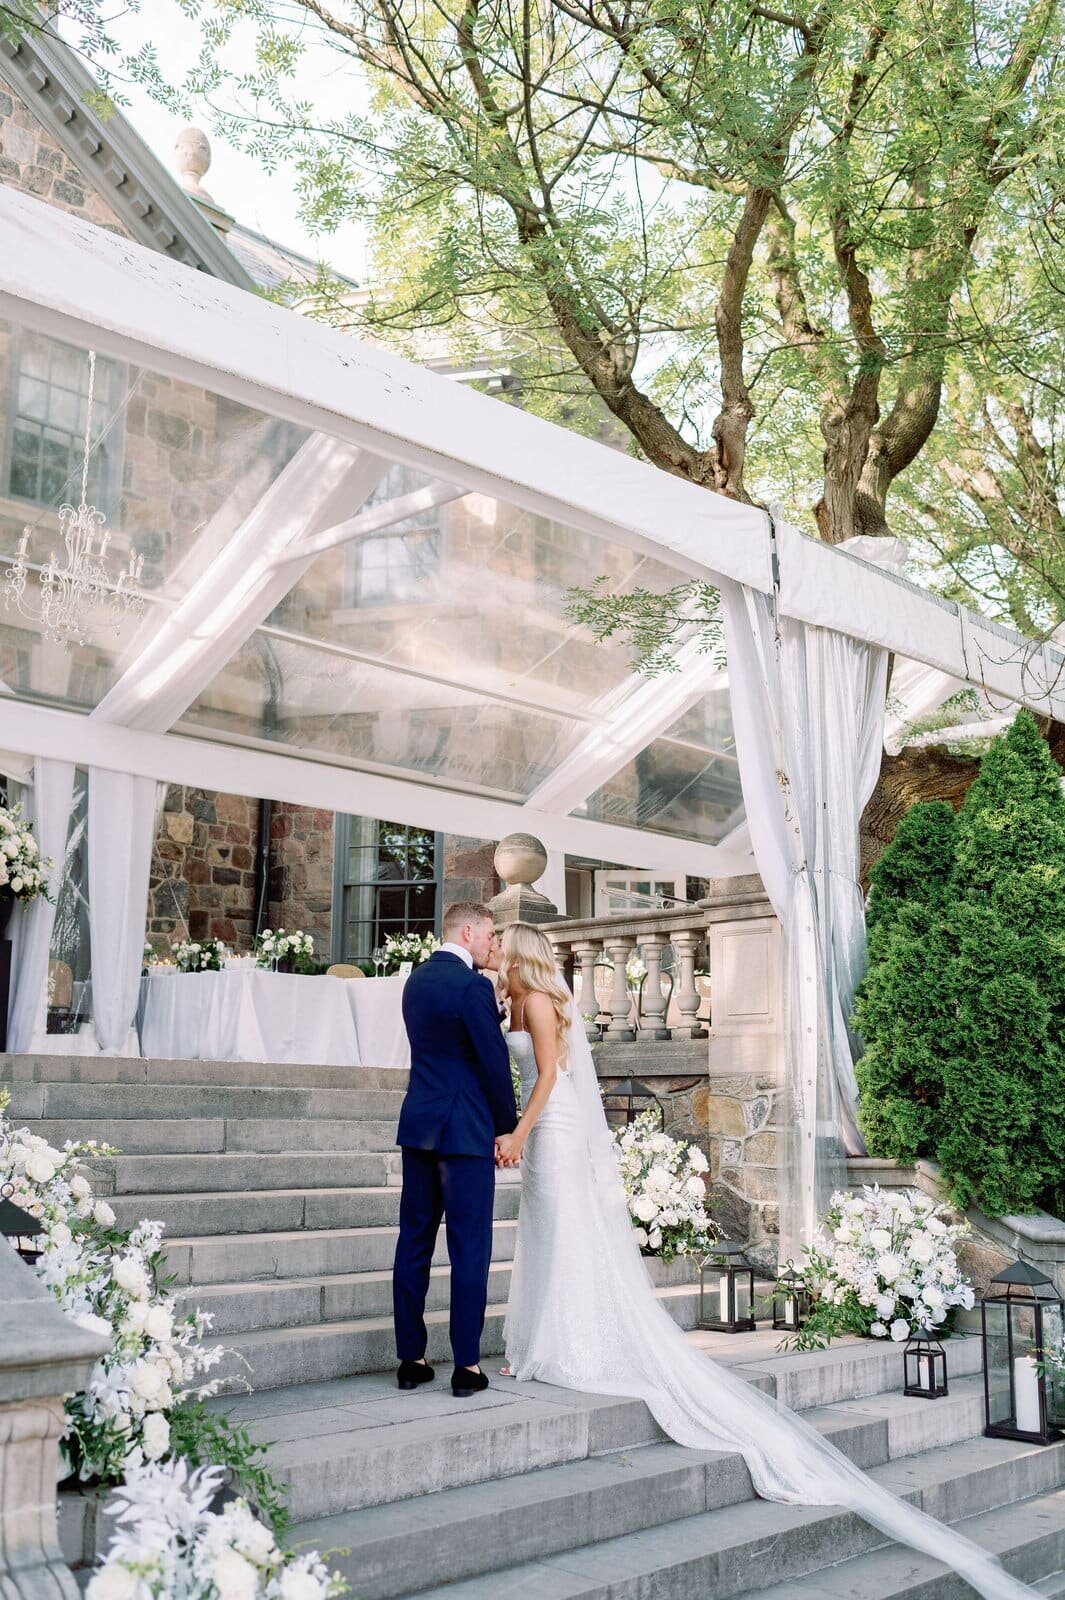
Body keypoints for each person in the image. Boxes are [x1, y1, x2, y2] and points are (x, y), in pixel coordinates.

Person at [492, 920, 1036, 1600]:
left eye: (498, 947)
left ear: (518, 956)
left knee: (567, 1236)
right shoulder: (510, 1000)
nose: (492, 954)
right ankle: (545, 1338)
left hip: (555, 1134)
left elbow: (548, 1075)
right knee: (545, 1234)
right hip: (544, 1138)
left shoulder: (539, 1003)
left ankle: (569, 1343)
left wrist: (518, 1130)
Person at [392, 902, 517, 1399]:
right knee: (469, 1248)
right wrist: (508, 1128)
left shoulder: (415, 981)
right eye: (490, 935)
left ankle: (411, 1360)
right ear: (468, 931)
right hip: (464, 1133)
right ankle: (466, 1366)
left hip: (420, 1127)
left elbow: (440, 1049)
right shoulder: (473, 987)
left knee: (414, 1242)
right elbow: (491, 1063)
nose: (492, 944)